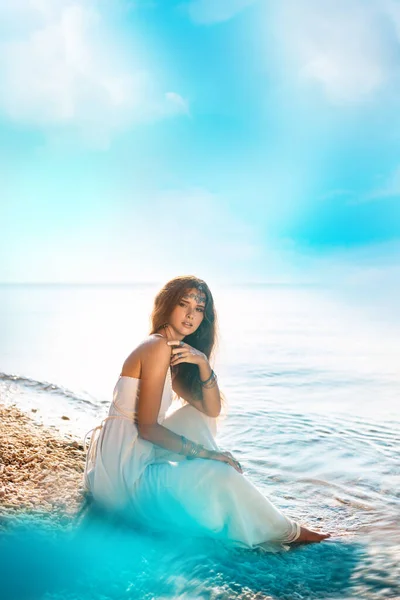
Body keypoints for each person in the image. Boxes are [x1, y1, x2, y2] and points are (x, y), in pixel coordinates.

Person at [84, 275, 330, 550]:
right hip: (124, 481)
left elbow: (211, 410)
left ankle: (207, 484)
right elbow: (148, 428)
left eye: (199, 309)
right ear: (167, 305)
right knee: (219, 474)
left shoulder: (171, 351)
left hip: (116, 459)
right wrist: (208, 455)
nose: (191, 315)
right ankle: (287, 532)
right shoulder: (157, 348)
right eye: (183, 304)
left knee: (195, 416)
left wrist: (203, 364)